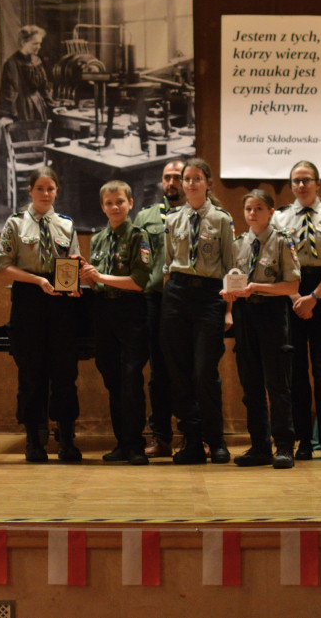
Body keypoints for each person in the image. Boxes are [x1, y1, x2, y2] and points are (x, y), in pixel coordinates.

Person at [0, 166, 82, 463]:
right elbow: (2, 265)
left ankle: (67, 438)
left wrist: (75, 277)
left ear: (57, 191)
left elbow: (73, 263)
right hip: (29, 300)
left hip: (61, 303)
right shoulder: (15, 224)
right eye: (40, 188)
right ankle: (34, 440)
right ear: (29, 191)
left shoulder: (66, 225)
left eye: (51, 189)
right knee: (31, 373)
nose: (46, 194)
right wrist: (37, 280)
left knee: (65, 373)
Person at [160, 158, 236, 464]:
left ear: (207, 183)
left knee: (205, 372)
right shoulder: (172, 219)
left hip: (209, 297)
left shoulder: (222, 220)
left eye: (196, 178)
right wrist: (169, 298)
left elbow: (231, 267)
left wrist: (228, 310)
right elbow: (167, 266)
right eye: (186, 179)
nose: (190, 184)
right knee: (178, 372)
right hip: (177, 295)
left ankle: (215, 441)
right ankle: (191, 441)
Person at [274, 161, 321, 461]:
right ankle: (303, 441)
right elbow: (277, 261)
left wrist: (314, 297)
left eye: (307, 180)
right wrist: (296, 297)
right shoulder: (280, 218)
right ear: (291, 185)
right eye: (296, 181)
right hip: (290, 290)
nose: (301, 186)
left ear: (318, 184)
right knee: (294, 374)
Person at [221, 190, 301, 469]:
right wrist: (229, 297)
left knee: (277, 384)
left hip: (271, 313)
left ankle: (284, 446)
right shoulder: (239, 243)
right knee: (250, 385)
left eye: (258, 208)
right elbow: (233, 278)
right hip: (245, 315)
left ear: (270, 211)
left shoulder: (282, 242)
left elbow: (292, 286)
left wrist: (258, 287)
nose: (252, 213)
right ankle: (259, 446)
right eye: (248, 209)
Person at [80, 181, 153, 465]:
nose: (114, 207)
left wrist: (100, 277)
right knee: (112, 379)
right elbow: (97, 283)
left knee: (131, 379)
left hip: (131, 313)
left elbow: (140, 281)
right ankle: (122, 443)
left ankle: (136, 445)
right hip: (103, 313)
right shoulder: (98, 239)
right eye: (109, 203)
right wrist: (84, 275)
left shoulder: (138, 236)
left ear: (131, 203)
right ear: (102, 206)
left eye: (120, 201)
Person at [132, 158, 187, 457]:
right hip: (154, 299)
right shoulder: (146, 217)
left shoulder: (199, 215)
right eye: (167, 177)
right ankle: (162, 437)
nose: (172, 182)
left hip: (188, 300)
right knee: (158, 372)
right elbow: (137, 259)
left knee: (190, 369)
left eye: (177, 176)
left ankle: (193, 435)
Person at [0, 25, 53, 125]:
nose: (39, 47)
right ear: (23, 43)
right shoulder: (12, 63)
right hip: (22, 110)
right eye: (35, 44)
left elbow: (44, 87)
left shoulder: (37, 61)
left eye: (40, 43)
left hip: (39, 108)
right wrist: (7, 115)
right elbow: (9, 89)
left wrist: (51, 106)